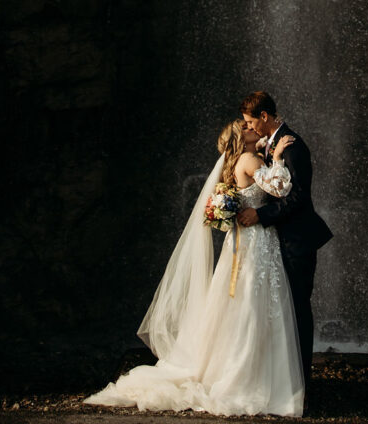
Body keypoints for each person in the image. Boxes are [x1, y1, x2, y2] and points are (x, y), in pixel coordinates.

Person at [83, 119, 305, 416]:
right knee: (255, 302)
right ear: (243, 138)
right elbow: (280, 188)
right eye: (249, 128)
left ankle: (245, 368)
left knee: (244, 302)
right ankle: (254, 376)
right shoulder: (251, 159)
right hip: (254, 242)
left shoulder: (238, 159)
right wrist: (277, 158)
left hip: (241, 242)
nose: (255, 130)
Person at [239, 91, 333, 387]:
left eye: (251, 122)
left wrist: (261, 216)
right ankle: (283, 378)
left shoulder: (292, 145)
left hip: (297, 241)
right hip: (278, 242)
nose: (250, 128)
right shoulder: (269, 146)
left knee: (298, 309)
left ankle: (301, 382)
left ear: (264, 116)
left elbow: (298, 197)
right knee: (283, 310)